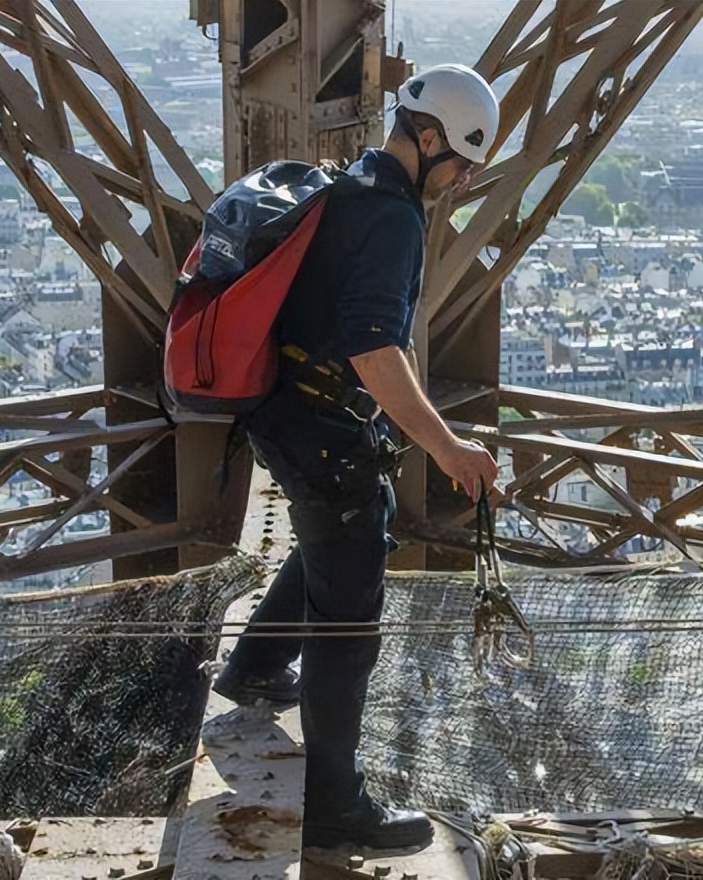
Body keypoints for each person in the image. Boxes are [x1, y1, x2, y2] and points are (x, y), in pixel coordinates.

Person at [210, 64, 501, 850]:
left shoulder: (349, 185)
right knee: (349, 619)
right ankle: (336, 805)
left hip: (284, 410)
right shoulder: (394, 216)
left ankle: (255, 669)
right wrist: (447, 447)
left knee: (344, 535)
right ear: (430, 137)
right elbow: (375, 346)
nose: (466, 178)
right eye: (464, 160)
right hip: (318, 425)